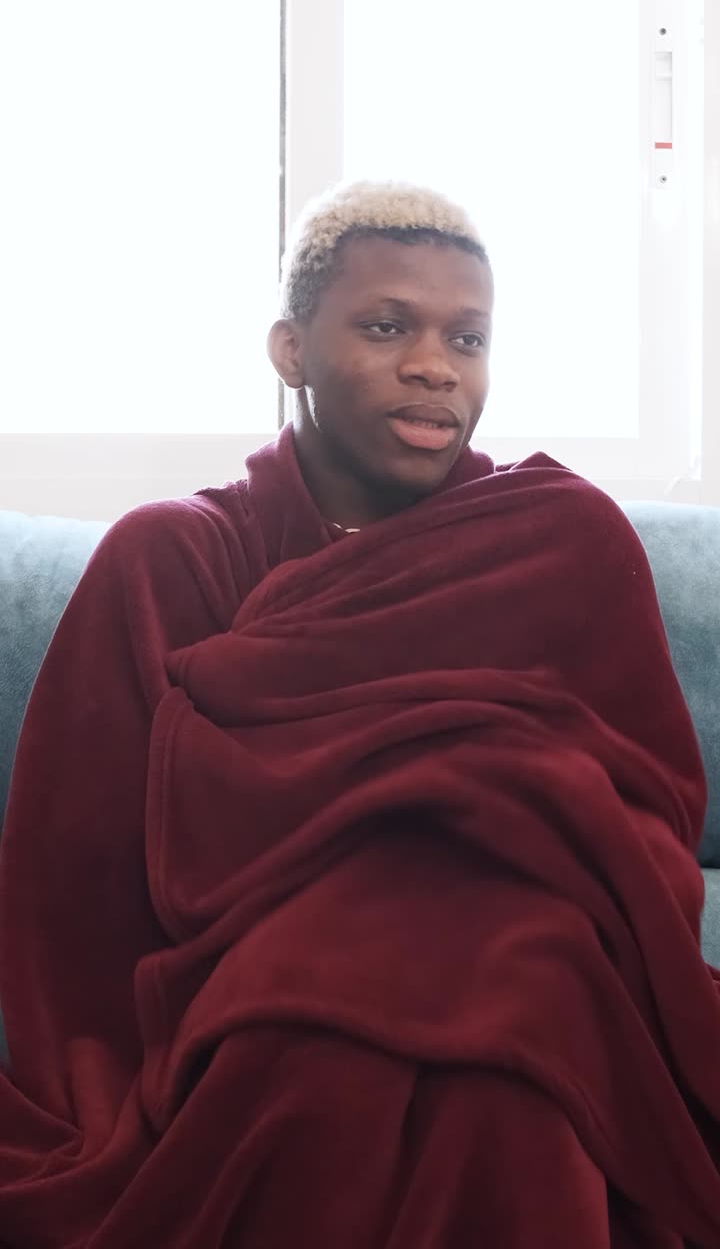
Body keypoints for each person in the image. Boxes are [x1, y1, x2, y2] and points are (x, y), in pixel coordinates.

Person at [0, 179, 720, 1247]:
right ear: (290, 348)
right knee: (308, 1056)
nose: (435, 364)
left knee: (521, 1043)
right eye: (387, 326)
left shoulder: (562, 538)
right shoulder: (173, 557)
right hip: (264, 982)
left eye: (466, 337)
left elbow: (642, 807)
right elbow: (81, 874)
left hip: (526, 961)